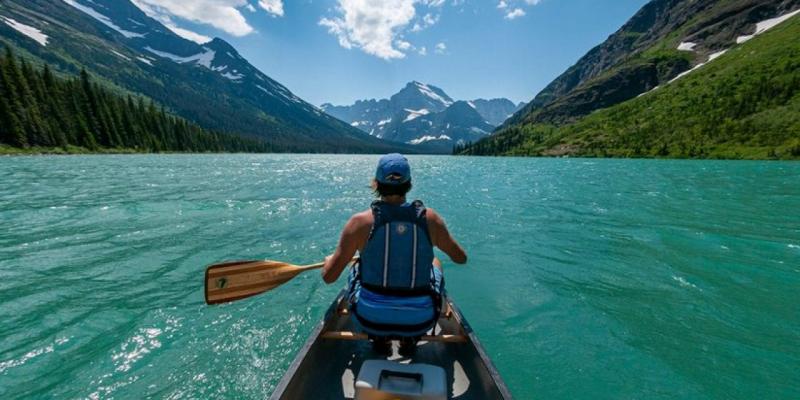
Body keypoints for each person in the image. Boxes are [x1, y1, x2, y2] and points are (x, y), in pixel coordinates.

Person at [322, 153, 467, 350]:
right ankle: (410, 338)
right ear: (409, 184)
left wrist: (330, 261)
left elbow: (329, 277)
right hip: (421, 320)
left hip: (369, 318)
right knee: (435, 262)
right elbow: (460, 259)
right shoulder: (430, 219)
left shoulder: (358, 223)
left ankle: (379, 338)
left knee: (355, 267)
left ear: (376, 184)